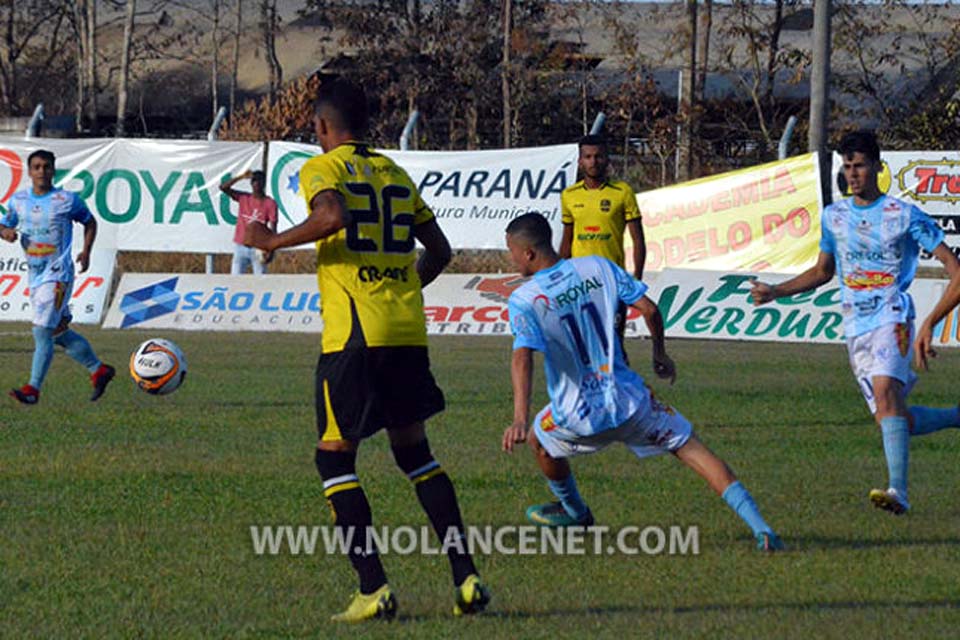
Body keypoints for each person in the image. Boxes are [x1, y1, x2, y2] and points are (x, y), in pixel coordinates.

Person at [243, 78, 489, 622]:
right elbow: (441, 250)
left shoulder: (322, 167)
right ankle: (467, 579)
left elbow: (332, 216)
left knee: (332, 457)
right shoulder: (394, 172)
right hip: (404, 330)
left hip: (354, 337)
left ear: (323, 126)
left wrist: (272, 243)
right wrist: (399, 290)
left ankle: (373, 588)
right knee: (415, 455)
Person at [502, 213, 783, 552]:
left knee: (538, 437)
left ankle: (576, 513)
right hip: (630, 401)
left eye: (512, 251)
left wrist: (519, 417)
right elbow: (649, 309)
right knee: (690, 447)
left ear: (529, 253)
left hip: (577, 416)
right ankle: (762, 529)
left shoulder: (524, 298)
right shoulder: (598, 267)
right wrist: (660, 354)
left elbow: (523, 356)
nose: (511, 258)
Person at [751, 130, 960, 515]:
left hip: (893, 316)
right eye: (847, 166)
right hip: (855, 326)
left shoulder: (903, 215)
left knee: (885, 392)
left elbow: (955, 270)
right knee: (893, 416)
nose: (853, 173)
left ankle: (899, 491)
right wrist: (776, 291)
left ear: (878, 167)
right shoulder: (835, 216)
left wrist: (931, 322)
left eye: (860, 165)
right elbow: (822, 271)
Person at [0, 149, 115, 405]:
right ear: (29, 172)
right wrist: (5, 231)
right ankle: (99, 370)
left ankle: (33, 389)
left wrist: (86, 252)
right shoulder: (18, 201)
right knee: (58, 332)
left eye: (46, 167)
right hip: (35, 274)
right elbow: (4, 224)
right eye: (37, 167)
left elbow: (90, 222)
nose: (42, 171)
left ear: (53, 170)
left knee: (41, 331)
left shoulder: (66, 200)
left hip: (58, 274)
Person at [559, 135, 646, 354]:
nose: (593, 161)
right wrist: (558, 275)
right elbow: (567, 240)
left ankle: (622, 386)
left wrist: (636, 278)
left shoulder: (622, 192)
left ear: (607, 159)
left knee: (614, 343)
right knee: (583, 344)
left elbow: (638, 239)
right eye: (587, 157)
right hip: (580, 281)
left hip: (613, 279)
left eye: (598, 156)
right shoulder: (569, 196)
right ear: (580, 161)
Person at [219, 169, 278, 274]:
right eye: (254, 181)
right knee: (235, 281)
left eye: (259, 181)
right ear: (251, 183)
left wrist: (271, 249)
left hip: (259, 248)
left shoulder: (270, 203)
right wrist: (240, 177)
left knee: (260, 281)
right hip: (241, 246)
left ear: (264, 183)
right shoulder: (244, 197)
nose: (257, 183)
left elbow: (273, 228)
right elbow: (223, 187)